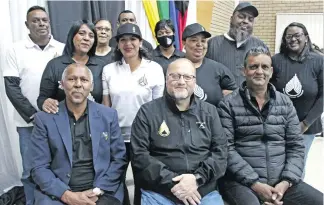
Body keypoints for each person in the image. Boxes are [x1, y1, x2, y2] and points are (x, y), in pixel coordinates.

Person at [217, 46, 323, 205]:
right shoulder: (228, 105)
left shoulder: (285, 103)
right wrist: (256, 184)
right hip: (241, 183)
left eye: (264, 67)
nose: (259, 71)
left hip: (281, 182)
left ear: (271, 72)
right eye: (253, 67)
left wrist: (285, 182)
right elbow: (227, 149)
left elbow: (296, 146)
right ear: (243, 71)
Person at [131, 58, 227, 205]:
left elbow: (220, 153)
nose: (181, 81)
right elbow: (139, 156)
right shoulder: (147, 112)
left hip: (202, 191)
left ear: (194, 81)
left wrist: (197, 179)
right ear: (166, 79)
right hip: (159, 192)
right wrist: (174, 183)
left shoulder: (210, 112)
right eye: (175, 76)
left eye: (187, 77)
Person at [29, 64, 127, 205]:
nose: (78, 85)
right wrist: (67, 195)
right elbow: (39, 167)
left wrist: (97, 191)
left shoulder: (108, 115)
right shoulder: (44, 119)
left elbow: (119, 159)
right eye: (72, 79)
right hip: (59, 192)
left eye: (84, 80)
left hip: (100, 190)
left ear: (91, 86)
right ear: (62, 84)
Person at [2, 6, 64, 205]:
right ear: (27, 25)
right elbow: (11, 88)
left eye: (44, 20)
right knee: (30, 170)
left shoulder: (62, 48)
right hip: (28, 123)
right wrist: (33, 115)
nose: (41, 24)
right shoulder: (15, 50)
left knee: (60, 168)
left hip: (58, 121)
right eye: (36, 20)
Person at [102, 23, 164, 205]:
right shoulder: (109, 70)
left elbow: (158, 107)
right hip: (117, 136)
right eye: (123, 40)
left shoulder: (154, 69)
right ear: (118, 44)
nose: (128, 44)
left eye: (133, 39)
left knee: (142, 180)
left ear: (140, 42)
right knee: (116, 180)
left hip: (144, 137)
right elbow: (107, 105)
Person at [270, 22, 323, 179]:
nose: (293, 39)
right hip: (278, 125)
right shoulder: (276, 60)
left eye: (297, 35)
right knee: (276, 165)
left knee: (296, 166)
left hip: (306, 128)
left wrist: (305, 124)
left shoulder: (319, 61)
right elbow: (267, 90)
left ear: (306, 38)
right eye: (289, 36)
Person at [37, 20, 106, 113]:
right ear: (72, 36)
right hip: (61, 120)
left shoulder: (101, 66)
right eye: (81, 33)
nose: (86, 38)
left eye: (91, 36)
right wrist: (45, 102)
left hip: (95, 120)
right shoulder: (55, 65)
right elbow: (42, 98)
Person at [206, 2, 267, 86]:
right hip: (221, 98)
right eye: (241, 17)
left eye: (250, 19)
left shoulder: (260, 46)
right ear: (231, 19)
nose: (246, 21)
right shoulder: (212, 44)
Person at [182, 23, 237, 106]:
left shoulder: (219, 70)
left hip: (212, 118)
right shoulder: (173, 68)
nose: (199, 44)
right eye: (194, 40)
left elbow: (236, 95)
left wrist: (230, 96)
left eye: (203, 41)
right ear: (184, 43)